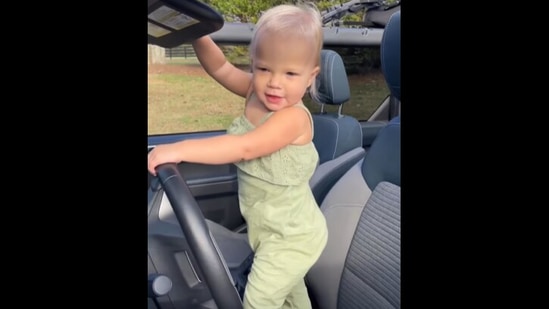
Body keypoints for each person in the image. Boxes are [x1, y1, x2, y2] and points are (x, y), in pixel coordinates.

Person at [148, 2, 328, 308]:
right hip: (267, 230)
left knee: (257, 300)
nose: (274, 82)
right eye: (264, 68)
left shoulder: (292, 119)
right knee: (291, 297)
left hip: (292, 237)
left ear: (310, 77)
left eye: (290, 73)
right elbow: (220, 67)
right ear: (253, 63)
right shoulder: (254, 93)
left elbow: (243, 147)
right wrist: (198, 34)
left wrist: (179, 149)